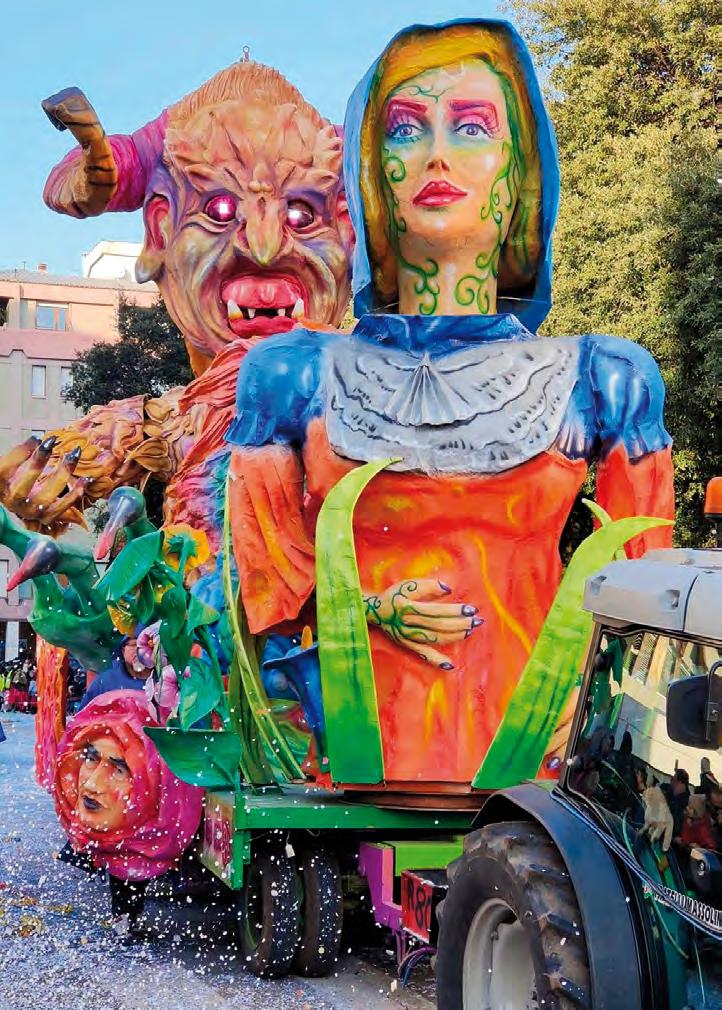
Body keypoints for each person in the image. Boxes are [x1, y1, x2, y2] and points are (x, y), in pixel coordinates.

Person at [226, 18, 675, 788]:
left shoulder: (605, 377)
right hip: (349, 769)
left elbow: (649, 599)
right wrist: (365, 610)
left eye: (472, 126)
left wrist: (602, 708)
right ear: (373, 174)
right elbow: (266, 586)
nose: (436, 153)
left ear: (519, 172)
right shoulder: (290, 375)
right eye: (406, 129)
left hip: (537, 775)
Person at [78, 634, 150, 710]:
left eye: (147, 645)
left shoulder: (159, 679)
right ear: (123, 650)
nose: (140, 650)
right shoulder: (105, 681)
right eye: (134, 645)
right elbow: (83, 714)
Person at [661, 768, 691, 840]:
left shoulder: (685, 802)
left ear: (679, 782)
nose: (671, 782)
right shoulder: (672, 798)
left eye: (673, 780)